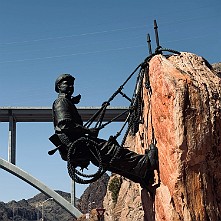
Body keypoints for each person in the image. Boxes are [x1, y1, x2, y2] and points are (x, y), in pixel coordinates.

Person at [49, 73, 158, 187]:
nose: (71, 86)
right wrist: (87, 130)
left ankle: (141, 176)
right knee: (111, 150)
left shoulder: (66, 102)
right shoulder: (61, 102)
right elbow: (65, 125)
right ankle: (145, 164)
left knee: (106, 161)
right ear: (58, 87)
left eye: (72, 84)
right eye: (67, 84)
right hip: (76, 144)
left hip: (73, 145)